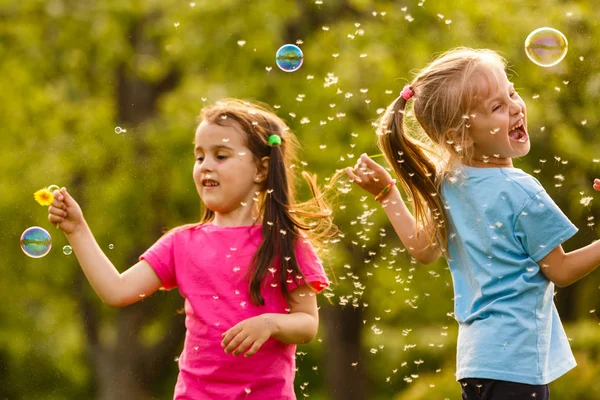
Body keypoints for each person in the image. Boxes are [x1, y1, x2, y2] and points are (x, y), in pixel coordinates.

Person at [346, 47, 600, 399]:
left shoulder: (450, 182)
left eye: (511, 92)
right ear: (460, 135)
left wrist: (388, 195)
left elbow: (422, 250)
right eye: (496, 106)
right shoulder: (520, 190)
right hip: (517, 363)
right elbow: (562, 269)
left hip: (477, 362)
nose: (514, 107)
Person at [48, 99, 335, 399]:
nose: (206, 166)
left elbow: (307, 324)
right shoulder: (180, 243)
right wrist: (77, 230)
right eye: (199, 158)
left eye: (220, 156)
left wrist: (270, 323)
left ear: (261, 170)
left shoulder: (285, 243)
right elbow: (117, 290)